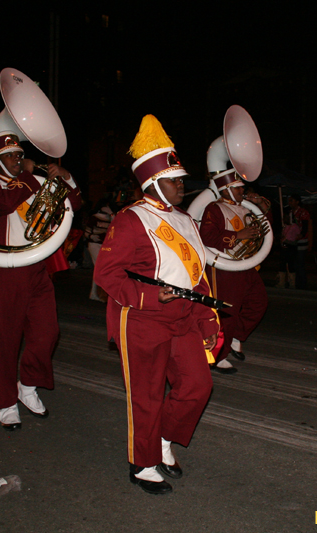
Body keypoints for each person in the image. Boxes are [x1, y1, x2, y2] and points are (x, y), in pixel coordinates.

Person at [94, 115, 219, 495]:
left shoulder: (185, 221)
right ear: (153, 183)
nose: (182, 185)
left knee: (198, 386)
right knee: (146, 396)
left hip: (182, 318)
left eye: (181, 179)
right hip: (143, 320)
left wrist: (206, 320)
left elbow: (196, 275)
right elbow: (107, 274)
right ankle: (143, 462)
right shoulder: (130, 220)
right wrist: (150, 296)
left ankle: (164, 440)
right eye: (174, 180)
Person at [0, 121, 83, 431]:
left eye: (19, 154)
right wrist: (28, 174)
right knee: (4, 339)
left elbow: (72, 204)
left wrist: (66, 178)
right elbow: (3, 204)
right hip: (0, 270)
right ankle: (7, 401)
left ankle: (28, 385)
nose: (17, 160)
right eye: (9, 156)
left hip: (35, 269)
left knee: (47, 332)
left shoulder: (30, 181)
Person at [199, 170, 270, 374]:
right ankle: (217, 356)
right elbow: (207, 236)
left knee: (259, 302)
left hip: (245, 264)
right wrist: (238, 235)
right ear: (227, 189)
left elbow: (258, 232)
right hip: (224, 267)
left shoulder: (244, 209)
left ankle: (236, 336)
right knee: (226, 312)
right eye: (239, 188)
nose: (243, 191)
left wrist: (263, 211)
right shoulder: (214, 208)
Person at [85, 202, 114, 301]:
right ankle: (95, 293)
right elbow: (87, 232)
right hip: (94, 244)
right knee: (99, 268)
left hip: (104, 245)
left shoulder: (110, 218)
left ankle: (95, 293)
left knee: (100, 269)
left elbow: (117, 224)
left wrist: (111, 214)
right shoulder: (94, 217)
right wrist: (92, 236)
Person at [285, 194, 310, 289]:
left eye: (291, 200)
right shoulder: (290, 212)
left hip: (301, 241)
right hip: (292, 241)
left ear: (297, 201)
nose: (289, 203)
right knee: (293, 262)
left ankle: (302, 284)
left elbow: (305, 227)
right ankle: (294, 283)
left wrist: (301, 235)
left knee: (300, 263)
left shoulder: (303, 212)